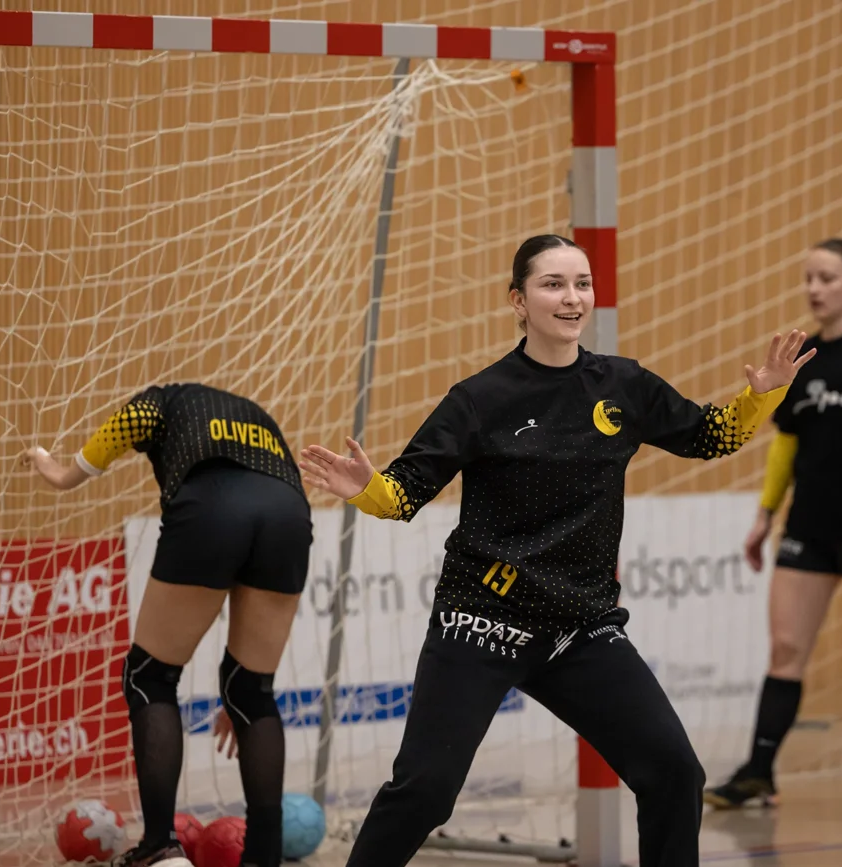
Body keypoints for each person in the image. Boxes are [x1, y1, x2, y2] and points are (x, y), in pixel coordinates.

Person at [299, 234, 815, 867]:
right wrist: (367, 488)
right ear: (518, 301)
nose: (572, 298)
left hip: (581, 626)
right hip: (483, 619)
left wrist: (765, 393)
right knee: (425, 792)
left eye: (582, 284)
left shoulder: (623, 384)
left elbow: (711, 438)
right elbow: (404, 495)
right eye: (553, 285)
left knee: (675, 772)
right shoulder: (479, 398)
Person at [22, 384, 312, 867]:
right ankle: (264, 857)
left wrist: (60, 473)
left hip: (214, 505)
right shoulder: (252, 413)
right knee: (250, 691)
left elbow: (134, 421)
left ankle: (159, 847)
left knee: (149, 676)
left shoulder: (165, 399)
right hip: (288, 513)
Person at [701, 239, 842, 810]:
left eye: (827, 278)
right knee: (785, 649)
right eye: (809, 278)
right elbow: (788, 443)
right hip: (809, 527)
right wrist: (764, 515)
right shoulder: (804, 358)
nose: (814, 288)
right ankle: (758, 773)